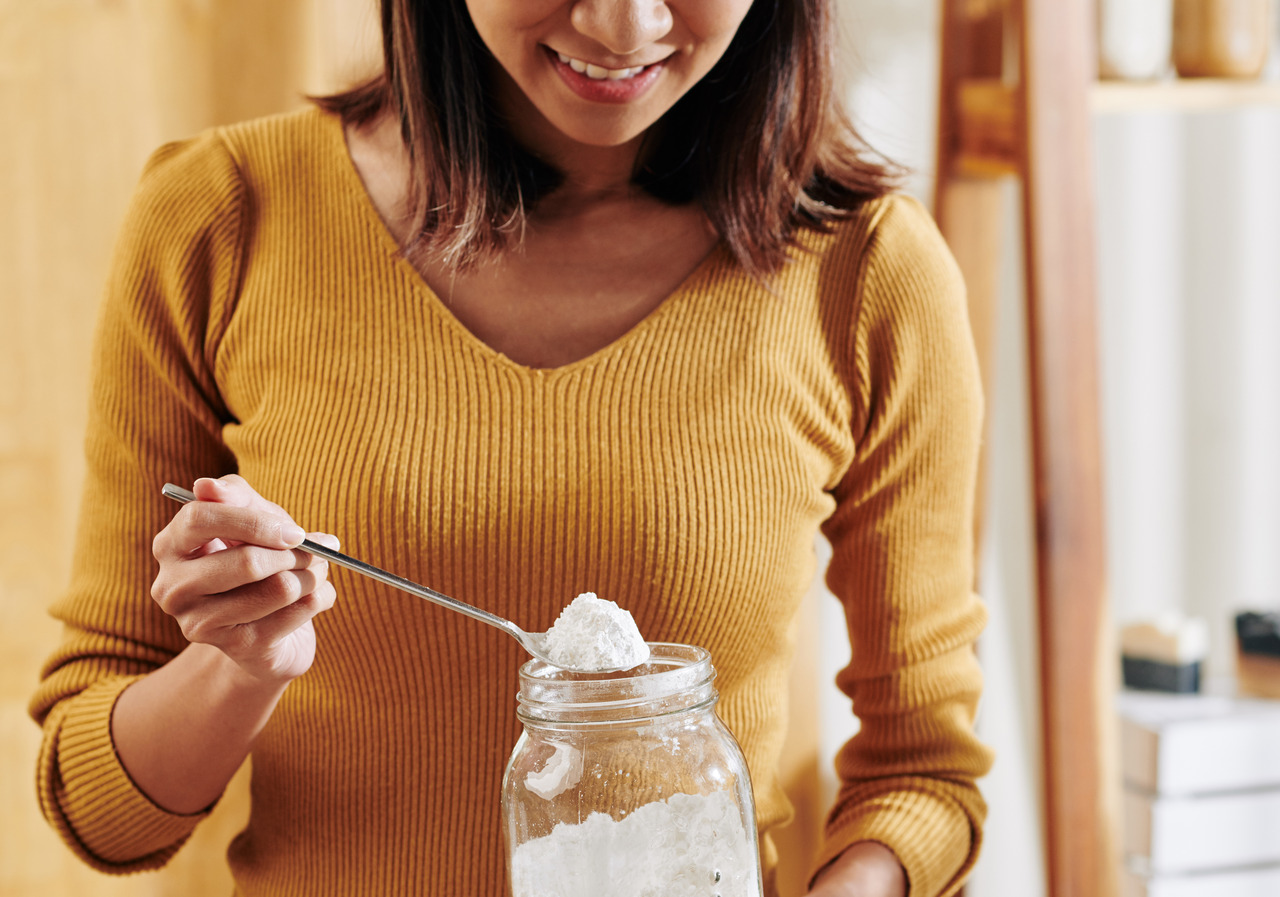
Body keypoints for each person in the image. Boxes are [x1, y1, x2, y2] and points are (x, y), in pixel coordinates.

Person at [29, 0, 992, 894]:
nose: (625, 26)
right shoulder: (220, 219)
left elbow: (923, 770)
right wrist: (239, 668)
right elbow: (103, 814)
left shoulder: (872, 273)